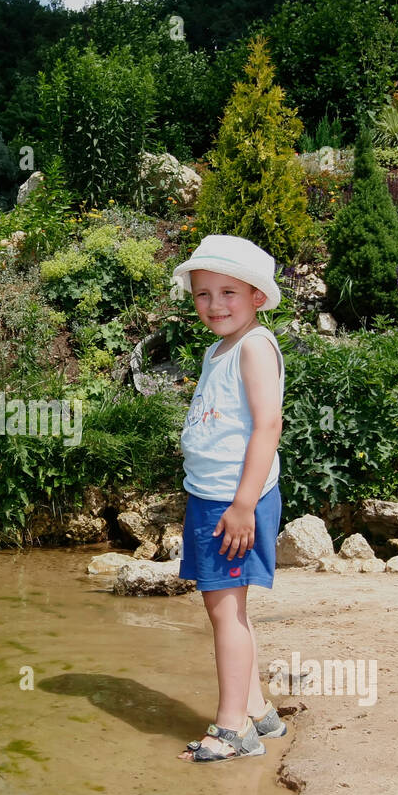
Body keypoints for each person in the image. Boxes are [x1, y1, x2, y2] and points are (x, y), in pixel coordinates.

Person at [172, 234, 288, 763]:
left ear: (257, 296)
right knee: (229, 609)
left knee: (223, 613)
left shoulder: (255, 346)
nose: (214, 305)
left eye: (228, 293)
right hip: (211, 497)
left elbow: (268, 425)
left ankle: (232, 729)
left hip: (232, 502)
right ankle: (258, 710)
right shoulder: (217, 349)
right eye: (202, 295)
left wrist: (242, 505)